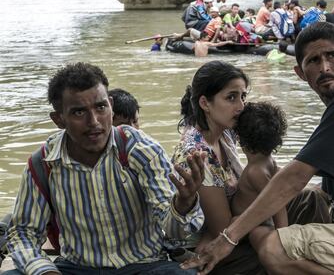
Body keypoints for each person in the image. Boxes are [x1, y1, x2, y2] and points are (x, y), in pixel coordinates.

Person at [181, 22, 334, 275]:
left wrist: (230, 237)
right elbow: (303, 183)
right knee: (312, 197)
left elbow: (295, 176)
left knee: (272, 248)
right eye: (314, 61)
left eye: (332, 56)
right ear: (300, 73)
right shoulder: (210, 143)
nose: (324, 67)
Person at [5, 62, 206, 275]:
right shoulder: (43, 162)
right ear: (59, 119)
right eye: (79, 112)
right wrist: (45, 271)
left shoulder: (139, 149)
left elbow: (174, 232)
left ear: (110, 105)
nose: (94, 122)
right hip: (77, 268)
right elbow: (23, 233)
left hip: (144, 265)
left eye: (100, 107)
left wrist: (183, 204)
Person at [170, 61, 264, 275]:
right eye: (231, 97)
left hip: (230, 230)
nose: (241, 106)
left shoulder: (225, 132)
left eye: (243, 97)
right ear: (205, 103)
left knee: (309, 199)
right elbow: (222, 230)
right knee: (274, 249)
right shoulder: (197, 154)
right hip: (205, 250)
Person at [231, 102, 288, 232]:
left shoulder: (255, 172)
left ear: (240, 139)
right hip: (255, 222)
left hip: (247, 228)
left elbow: (277, 203)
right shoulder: (269, 161)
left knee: (204, 245)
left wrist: (283, 235)